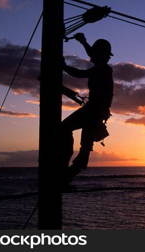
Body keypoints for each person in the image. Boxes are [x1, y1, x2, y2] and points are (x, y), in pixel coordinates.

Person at [61, 32, 114, 183]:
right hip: (96, 110)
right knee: (85, 144)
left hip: (94, 110)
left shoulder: (102, 69)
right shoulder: (102, 66)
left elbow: (79, 73)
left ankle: (65, 171)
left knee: (67, 130)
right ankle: (67, 174)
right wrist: (83, 42)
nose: (91, 56)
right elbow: (94, 54)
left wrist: (64, 66)